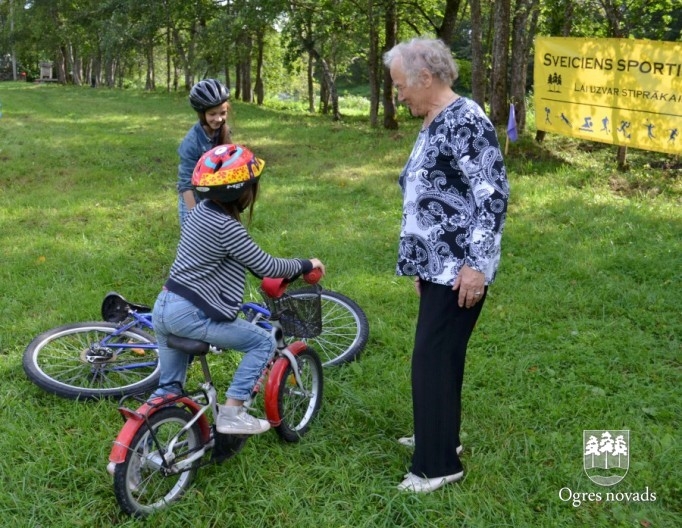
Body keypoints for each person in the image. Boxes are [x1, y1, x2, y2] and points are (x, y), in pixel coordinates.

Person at [383, 37, 510, 493]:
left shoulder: (466, 120)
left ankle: (436, 466)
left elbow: (491, 196)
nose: (398, 94)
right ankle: (440, 437)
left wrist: (476, 266)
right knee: (441, 357)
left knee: (432, 358)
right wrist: (421, 263)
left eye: (401, 85)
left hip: (460, 269)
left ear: (426, 77)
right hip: (438, 266)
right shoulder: (436, 119)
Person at [152, 144, 326, 435]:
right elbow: (268, 266)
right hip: (191, 315)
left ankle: (144, 439)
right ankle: (232, 413)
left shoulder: (199, 213)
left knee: (168, 388)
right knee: (263, 342)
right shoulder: (227, 227)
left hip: (164, 306)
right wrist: (306, 263)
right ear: (243, 191)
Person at [177, 79, 233, 226]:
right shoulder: (191, 142)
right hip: (194, 199)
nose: (218, 119)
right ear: (202, 115)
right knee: (194, 245)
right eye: (212, 114)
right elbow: (185, 184)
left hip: (216, 196)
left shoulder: (223, 131)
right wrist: (194, 214)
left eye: (223, 113)